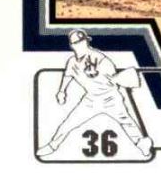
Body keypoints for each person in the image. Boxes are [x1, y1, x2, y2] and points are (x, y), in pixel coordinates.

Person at [36, 30, 153, 158]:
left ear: (86, 41)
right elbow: (68, 75)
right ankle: (52, 145)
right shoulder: (72, 62)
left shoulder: (99, 58)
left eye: (83, 41)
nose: (82, 44)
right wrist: (62, 91)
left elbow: (113, 75)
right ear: (72, 45)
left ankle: (142, 144)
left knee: (126, 121)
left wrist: (106, 75)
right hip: (90, 99)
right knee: (69, 123)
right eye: (77, 42)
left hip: (110, 98)